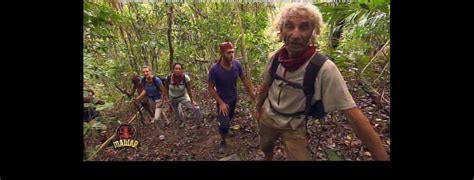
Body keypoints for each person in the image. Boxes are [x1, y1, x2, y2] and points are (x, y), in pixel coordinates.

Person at [255, 3, 389, 161]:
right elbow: (266, 85)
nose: (295, 34)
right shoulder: (276, 58)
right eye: (289, 26)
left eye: (303, 27)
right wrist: (258, 108)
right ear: (281, 30)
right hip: (269, 116)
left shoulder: (323, 68)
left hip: (294, 125)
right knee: (266, 145)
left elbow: (354, 116)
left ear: (313, 31)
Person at [208, 42, 256, 153]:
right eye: (228, 53)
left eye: (233, 52)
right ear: (222, 53)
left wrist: (252, 93)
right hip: (222, 101)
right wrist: (221, 103)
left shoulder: (237, 65)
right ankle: (223, 141)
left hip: (233, 98)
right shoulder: (215, 69)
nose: (232, 55)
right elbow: (210, 88)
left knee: (229, 119)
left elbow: (244, 79)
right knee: (224, 125)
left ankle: (227, 127)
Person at [165, 63, 203, 128]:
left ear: (182, 70)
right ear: (173, 70)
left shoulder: (185, 78)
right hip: (173, 98)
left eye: (179, 69)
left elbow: (189, 90)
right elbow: (166, 89)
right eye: (176, 69)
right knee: (177, 112)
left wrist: (191, 100)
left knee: (196, 108)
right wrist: (167, 99)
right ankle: (181, 122)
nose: (177, 70)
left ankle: (198, 124)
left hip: (183, 96)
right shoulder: (168, 78)